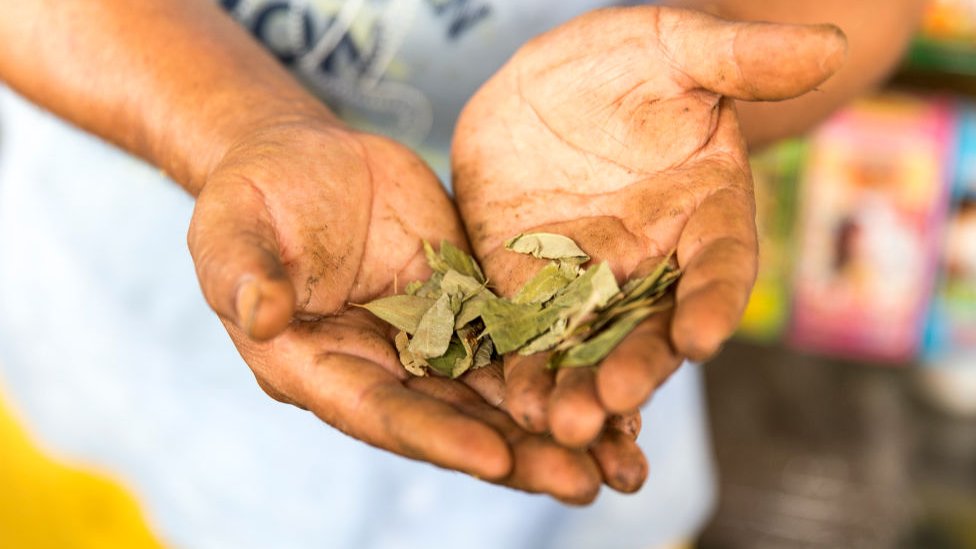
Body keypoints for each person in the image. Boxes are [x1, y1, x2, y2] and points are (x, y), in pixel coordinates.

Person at [0, 0, 926, 547]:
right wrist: (233, 123)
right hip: (146, 296)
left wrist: (690, 88)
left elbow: (856, 16)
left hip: (588, 226)